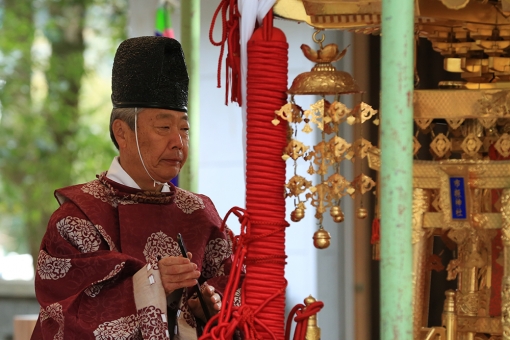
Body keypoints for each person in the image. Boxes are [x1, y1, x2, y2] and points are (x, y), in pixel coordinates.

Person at [31, 36, 239, 340]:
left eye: (184, 129)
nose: (178, 143)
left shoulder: (201, 213)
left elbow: (237, 292)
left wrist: (207, 308)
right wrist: (152, 285)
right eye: (164, 127)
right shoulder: (77, 218)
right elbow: (64, 315)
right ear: (122, 132)